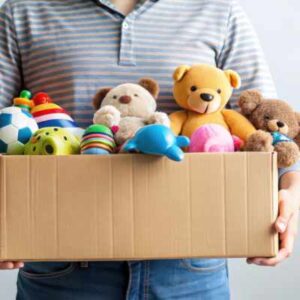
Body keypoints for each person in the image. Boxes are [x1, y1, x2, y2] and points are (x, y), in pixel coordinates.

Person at [0, 0, 299, 299]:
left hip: (189, 265)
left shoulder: (219, 13)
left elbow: (270, 122)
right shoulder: (21, 12)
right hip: (61, 263)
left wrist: (291, 191)